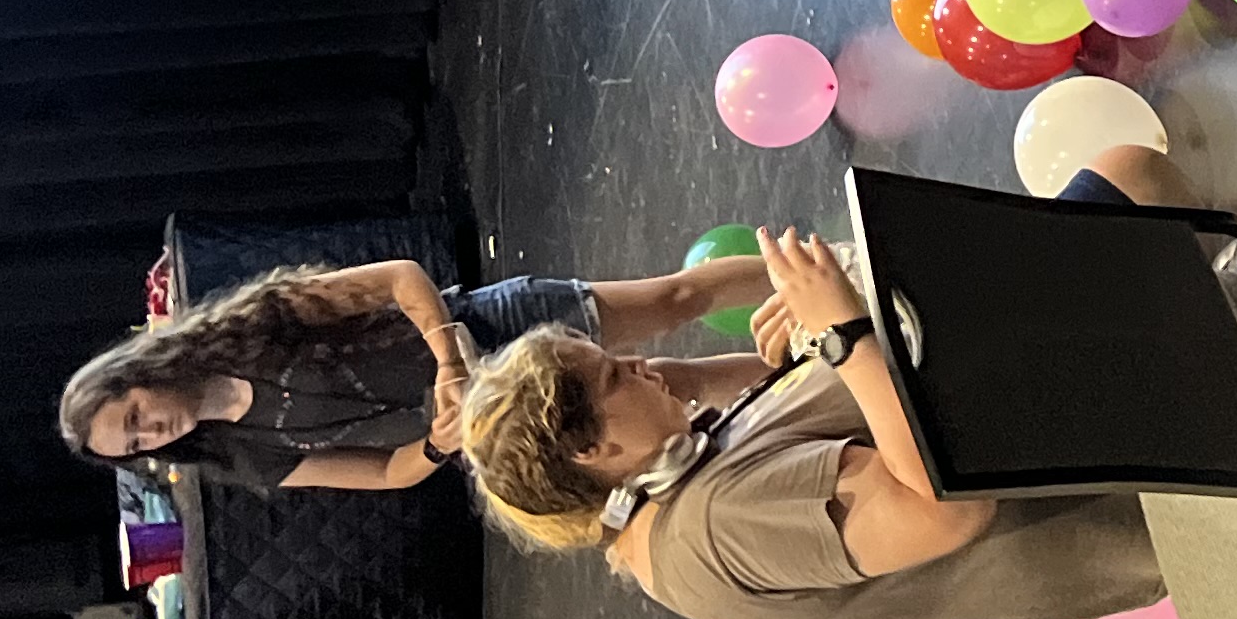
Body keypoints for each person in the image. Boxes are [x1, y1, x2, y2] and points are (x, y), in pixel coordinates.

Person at [461, 223, 1166, 619]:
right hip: (1126, 481)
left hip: (1062, 410)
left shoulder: (679, 477)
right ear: (591, 450)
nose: (641, 365)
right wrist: (844, 336)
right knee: (1132, 184)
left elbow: (805, 417)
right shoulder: (716, 526)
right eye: (616, 375)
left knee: (1123, 185)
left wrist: (801, 349)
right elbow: (941, 509)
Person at [63, 248, 772, 489]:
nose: (150, 432)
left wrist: (447, 363)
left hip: (496, 328)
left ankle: (819, 273)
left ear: (140, 373)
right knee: (675, 386)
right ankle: (813, 370)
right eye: (135, 444)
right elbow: (382, 473)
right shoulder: (242, 457)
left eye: (134, 415)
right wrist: (437, 445)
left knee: (674, 300)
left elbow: (400, 279)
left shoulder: (253, 323)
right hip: (511, 413)